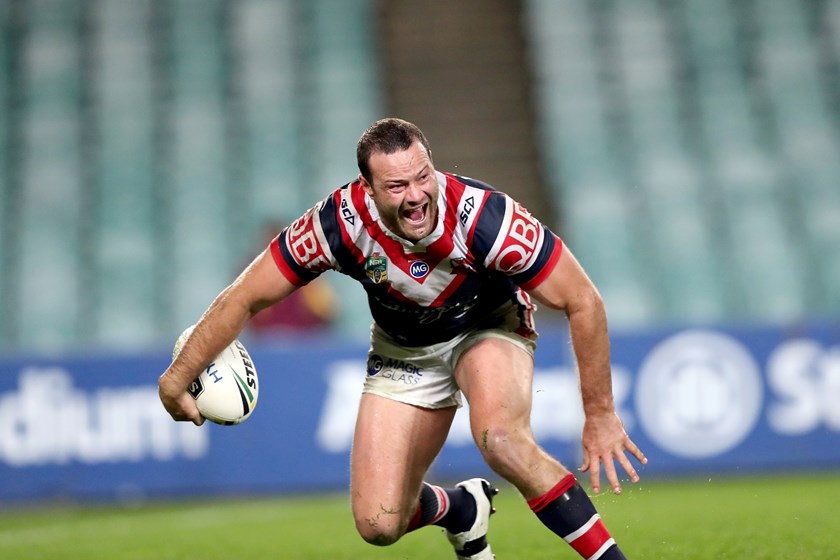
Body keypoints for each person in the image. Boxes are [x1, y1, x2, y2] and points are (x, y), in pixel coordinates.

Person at [159, 117, 647, 559]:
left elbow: (585, 301)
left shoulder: (488, 220)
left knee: (501, 439)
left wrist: (600, 413)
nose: (415, 195)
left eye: (422, 177)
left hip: (486, 325)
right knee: (378, 523)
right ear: (368, 191)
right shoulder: (337, 225)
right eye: (396, 186)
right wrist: (176, 379)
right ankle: (459, 509)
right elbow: (245, 295)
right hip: (403, 349)